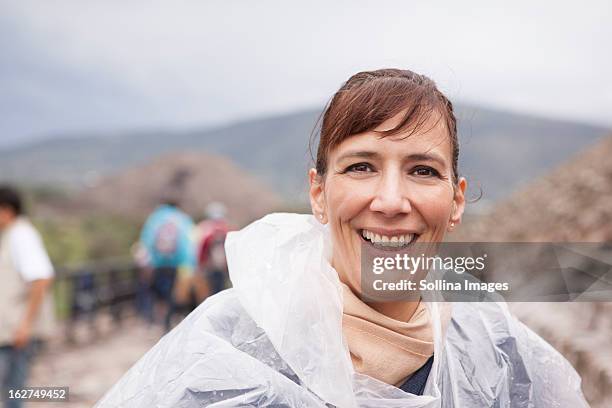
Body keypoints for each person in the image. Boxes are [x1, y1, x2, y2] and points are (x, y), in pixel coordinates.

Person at [96, 69, 588, 407]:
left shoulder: (507, 362)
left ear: (456, 200)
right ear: (319, 193)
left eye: (422, 170)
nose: (392, 201)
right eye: (360, 167)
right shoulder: (226, 357)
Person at [0, 186, 55, 408]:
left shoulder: (21, 235)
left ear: (6, 210)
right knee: (13, 387)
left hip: (15, 330)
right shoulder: (12, 234)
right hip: (11, 329)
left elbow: (41, 278)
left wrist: (26, 324)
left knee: (13, 387)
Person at [139, 197, 197, 332]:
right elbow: (189, 243)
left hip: (157, 264)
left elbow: (147, 241)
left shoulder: (155, 218)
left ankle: (159, 320)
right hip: (177, 264)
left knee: (158, 294)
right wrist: (189, 264)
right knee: (173, 292)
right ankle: (168, 322)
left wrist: (147, 263)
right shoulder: (182, 219)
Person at [195, 202, 231, 298]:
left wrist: (201, 265)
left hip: (210, 268)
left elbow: (202, 249)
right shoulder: (227, 230)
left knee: (210, 293)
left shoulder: (206, 229)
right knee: (221, 292)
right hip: (224, 269)